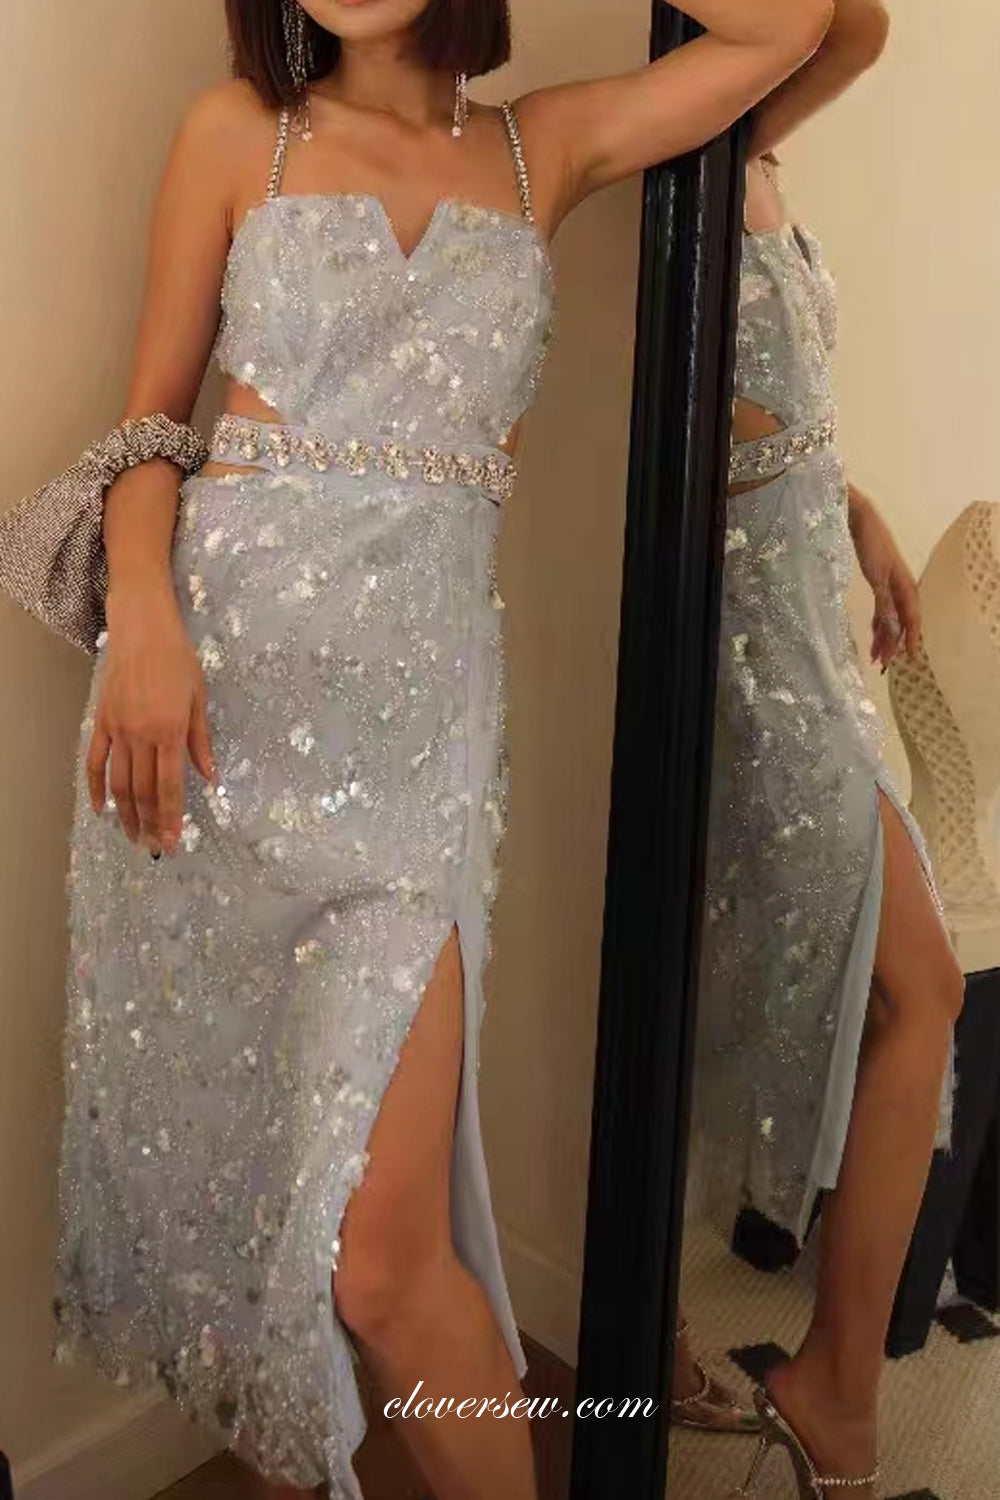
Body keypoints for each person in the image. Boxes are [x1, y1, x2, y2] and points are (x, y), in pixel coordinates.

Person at [39, 2, 832, 1498]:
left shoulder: (543, 150)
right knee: (254, 1206)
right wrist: (139, 612)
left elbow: (796, 27)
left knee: (382, 1259)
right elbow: (149, 427)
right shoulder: (239, 132)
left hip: (414, 763)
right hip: (203, 727)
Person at [689, 3, 966, 1496]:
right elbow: (851, 26)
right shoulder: (695, 125)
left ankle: (827, 1383)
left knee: (868, 990)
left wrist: (854, 508)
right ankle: (834, 1392)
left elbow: (854, 29)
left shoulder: (757, 145)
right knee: (907, 987)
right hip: (748, 646)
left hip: (809, 621)